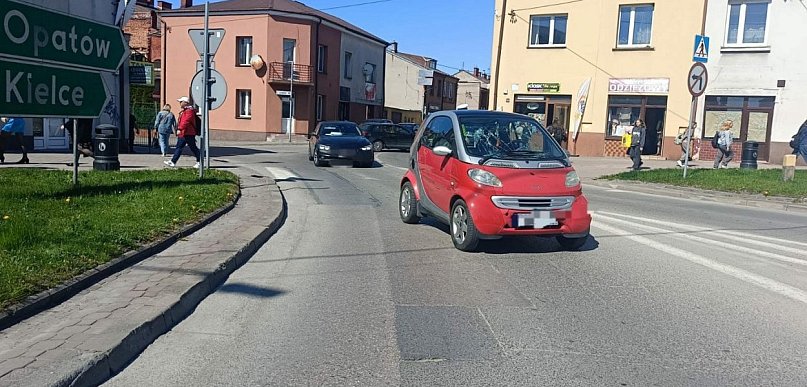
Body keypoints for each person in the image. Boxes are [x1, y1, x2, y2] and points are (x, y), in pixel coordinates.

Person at [165, 96, 201, 168]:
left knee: (193, 148)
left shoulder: (189, 111)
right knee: (179, 147)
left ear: (185, 103)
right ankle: (173, 161)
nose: (180, 103)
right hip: (184, 133)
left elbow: (186, 121)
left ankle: (199, 161)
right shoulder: (185, 110)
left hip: (188, 133)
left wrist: (180, 129)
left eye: (181, 102)